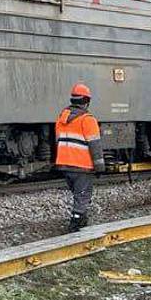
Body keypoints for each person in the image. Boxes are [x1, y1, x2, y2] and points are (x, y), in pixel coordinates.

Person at [54, 82, 104, 230]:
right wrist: (100, 167)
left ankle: (82, 218)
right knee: (83, 194)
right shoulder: (87, 119)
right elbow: (95, 145)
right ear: (87, 101)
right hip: (81, 165)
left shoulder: (61, 118)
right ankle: (75, 223)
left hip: (64, 164)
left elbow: (58, 141)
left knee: (78, 194)